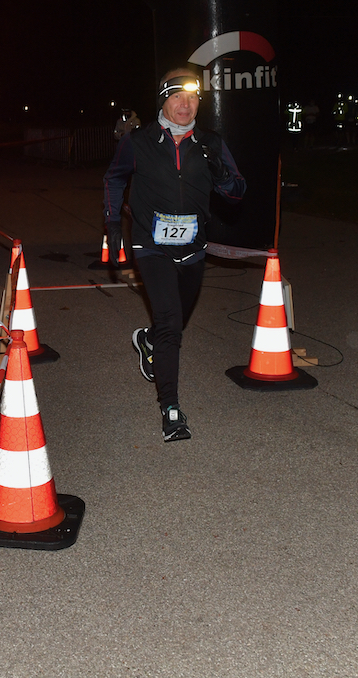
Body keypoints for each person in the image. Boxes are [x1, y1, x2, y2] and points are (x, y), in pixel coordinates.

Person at [103, 66, 246, 442]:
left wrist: (222, 174)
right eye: (178, 96)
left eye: (193, 97)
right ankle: (171, 410)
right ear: (164, 100)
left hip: (194, 251)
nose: (186, 104)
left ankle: (148, 340)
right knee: (171, 324)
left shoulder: (211, 142)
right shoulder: (138, 141)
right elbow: (114, 177)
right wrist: (113, 224)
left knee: (173, 323)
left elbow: (237, 193)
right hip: (151, 246)